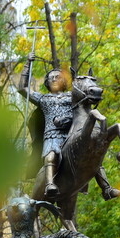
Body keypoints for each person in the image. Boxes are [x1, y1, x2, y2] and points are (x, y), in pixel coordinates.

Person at [19, 53, 73, 199]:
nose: (54, 79)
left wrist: (67, 119)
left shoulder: (71, 96)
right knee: (50, 156)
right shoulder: (43, 99)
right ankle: (50, 184)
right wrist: (27, 64)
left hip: (70, 133)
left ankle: (105, 186)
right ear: (47, 83)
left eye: (58, 77)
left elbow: (83, 105)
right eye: (51, 77)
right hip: (52, 135)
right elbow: (23, 89)